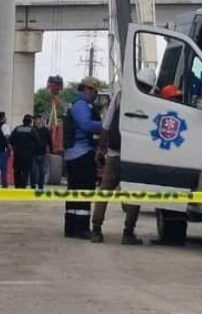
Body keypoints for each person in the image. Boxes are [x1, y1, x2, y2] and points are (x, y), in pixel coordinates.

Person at [91, 67, 157, 245]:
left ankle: (96, 230)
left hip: (115, 153)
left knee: (105, 191)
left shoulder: (120, 95)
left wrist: (101, 148)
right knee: (135, 194)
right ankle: (128, 233)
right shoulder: (151, 101)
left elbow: (106, 124)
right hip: (135, 156)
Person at [63, 77, 104, 239]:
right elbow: (86, 125)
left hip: (75, 154)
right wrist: (105, 125)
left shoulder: (76, 104)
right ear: (88, 89)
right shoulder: (81, 105)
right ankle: (81, 227)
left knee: (74, 191)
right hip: (82, 154)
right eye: (95, 91)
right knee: (84, 190)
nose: (96, 95)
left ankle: (71, 226)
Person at [9, 114, 39, 188]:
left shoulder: (17, 129)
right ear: (30, 122)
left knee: (17, 171)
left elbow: (10, 140)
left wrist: (14, 147)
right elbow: (38, 141)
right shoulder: (32, 130)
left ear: (23, 121)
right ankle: (23, 188)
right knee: (25, 172)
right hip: (28, 155)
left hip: (17, 154)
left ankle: (17, 186)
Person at [31, 115, 52, 190]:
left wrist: (51, 150)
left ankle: (41, 186)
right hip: (33, 153)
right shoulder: (32, 129)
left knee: (42, 171)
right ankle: (32, 185)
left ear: (40, 120)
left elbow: (50, 141)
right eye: (35, 120)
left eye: (37, 120)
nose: (36, 121)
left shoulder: (46, 130)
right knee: (33, 171)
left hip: (43, 153)